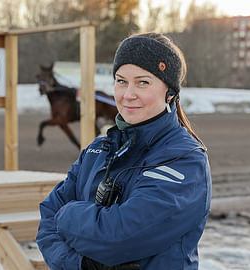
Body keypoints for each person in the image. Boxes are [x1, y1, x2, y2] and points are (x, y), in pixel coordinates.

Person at [36, 32, 212, 270]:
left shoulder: (184, 160)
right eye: (121, 81)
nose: (128, 94)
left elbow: (120, 236)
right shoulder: (97, 151)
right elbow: (47, 221)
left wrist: (66, 215)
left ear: (169, 92)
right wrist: (82, 265)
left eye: (143, 82)